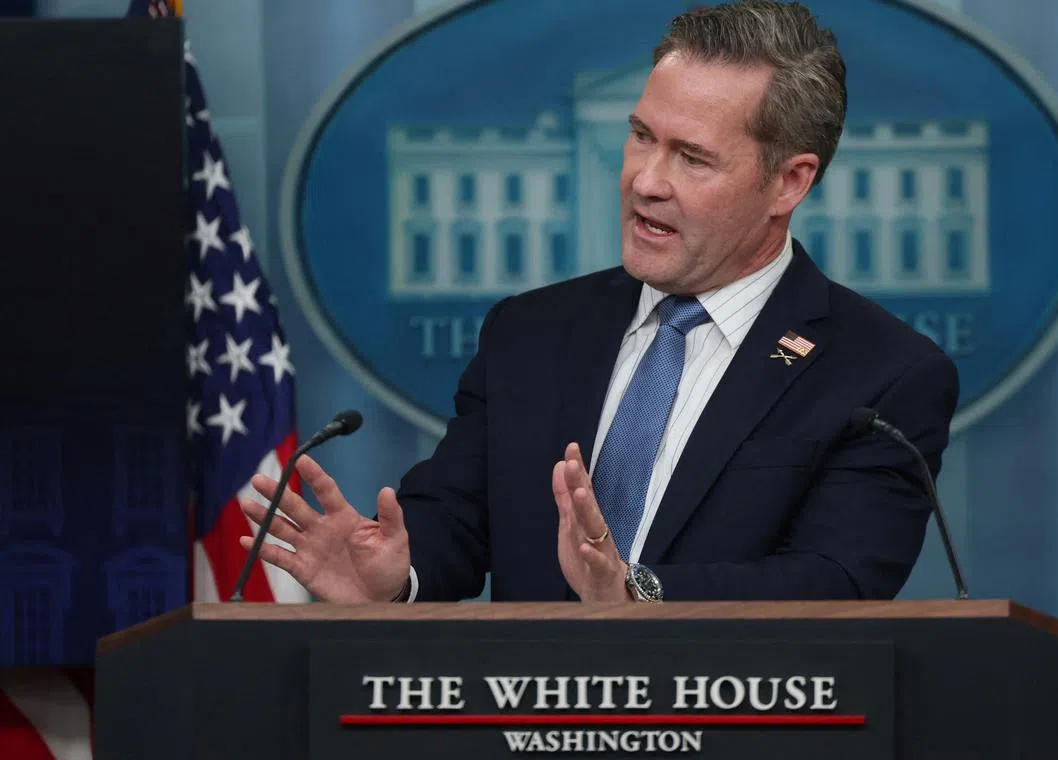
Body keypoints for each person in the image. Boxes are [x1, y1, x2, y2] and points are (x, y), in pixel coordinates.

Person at [239, 0, 959, 604]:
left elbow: (835, 579)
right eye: (642, 137)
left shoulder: (881, 376)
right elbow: (455, 519)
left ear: (789, 183)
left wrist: (636, 592)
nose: (646, 181)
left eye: (692, 157)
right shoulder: (531, 332)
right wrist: (397, 575)